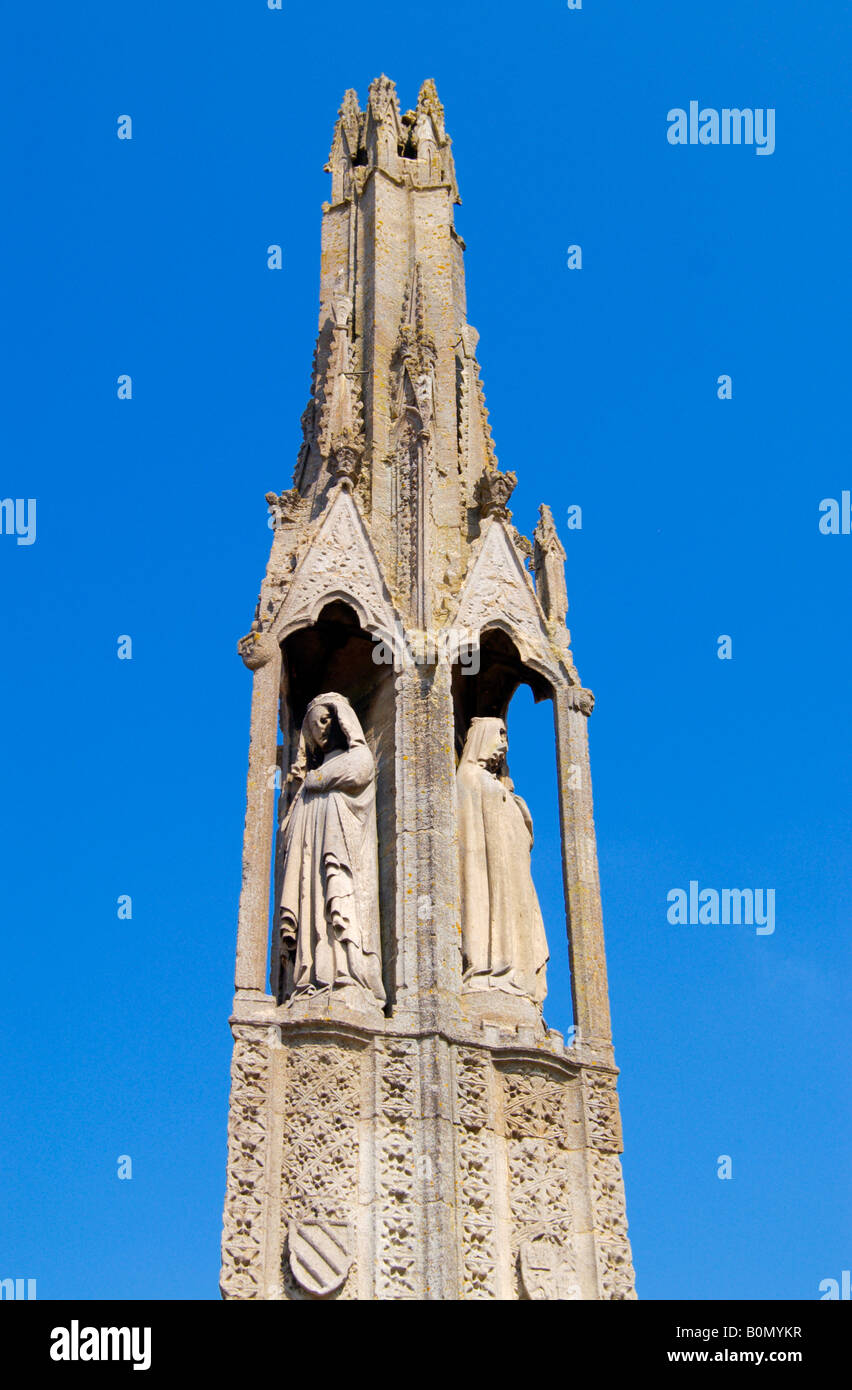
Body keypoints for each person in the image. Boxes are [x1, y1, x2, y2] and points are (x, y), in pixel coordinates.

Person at [278, 692, 385, 1006]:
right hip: (313, 864)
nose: (321, 730)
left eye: (325, 720)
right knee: (314, 911)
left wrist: (316, 780)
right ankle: (312, 977)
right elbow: (288, 828)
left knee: (343, 911)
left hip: (346, 858)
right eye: (313, 727)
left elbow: (359, 769)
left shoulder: (355, 758)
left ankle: (349, 974)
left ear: (341, 721)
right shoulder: (310, 781)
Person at [456, 716, 549, 1005]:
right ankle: (491, 968)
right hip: (490, 876)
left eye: (506, 737)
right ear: (482, 738)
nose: (504, 745)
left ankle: (514, 973)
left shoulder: (491, 784)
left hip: (511, 876)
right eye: (499, 736)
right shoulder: (471, 779)